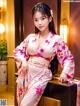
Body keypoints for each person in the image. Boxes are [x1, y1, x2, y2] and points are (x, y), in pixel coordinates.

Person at [14, 2, 75, 106]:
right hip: (25, 74)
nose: (39, 23)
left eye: (43, 18)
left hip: (41, 75)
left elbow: (68, 58)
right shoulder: (31, 37)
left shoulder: (56, 39)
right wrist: (23, 60)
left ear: (50, 19)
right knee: (20, 103)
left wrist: (64, 73)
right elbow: (18, 51)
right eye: (36, 20)